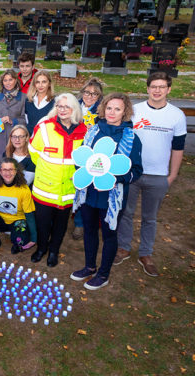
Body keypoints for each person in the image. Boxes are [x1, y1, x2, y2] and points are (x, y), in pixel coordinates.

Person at [115, 72, 187, 277]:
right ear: (147, 89)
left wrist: (171, 175)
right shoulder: (134, 111)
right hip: (133, 173)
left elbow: (178, 148)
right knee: (126, 213)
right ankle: (124, 247)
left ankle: (146, 253)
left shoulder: (176, 115)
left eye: (162, 87)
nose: (157, 90)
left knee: (150, 217)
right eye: (153, 86)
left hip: (158, 176)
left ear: (169, 89)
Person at [70, 93, 143, 290]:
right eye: (109, 108)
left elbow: (136, 170)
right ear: (103, 108)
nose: (112, 112)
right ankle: (89, 266)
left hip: (111, 196)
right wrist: (82, 172)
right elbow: (83, 158)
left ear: (125, 112)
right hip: (89, 192)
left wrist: (113, 178)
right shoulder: (93, 131)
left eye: (117, 109)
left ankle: (104, 274)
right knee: (90, 230)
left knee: (109, 235)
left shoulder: (130, 137)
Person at [28, 93, 87, 267]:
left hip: (68, 189)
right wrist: (47, 171)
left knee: (61, 224)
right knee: (43, 223)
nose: (62, 110)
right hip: (45, 187)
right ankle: (42, 248)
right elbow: (33, 151)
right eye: (59, 106)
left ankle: (53, 251)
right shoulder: (44, 127)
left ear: (74, 109)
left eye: (67, 107)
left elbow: (86, 160)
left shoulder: (85, 132)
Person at [0, 157, 37, 254]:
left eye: (11, 169)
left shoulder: (24, 188)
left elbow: (29, 215)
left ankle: (17, 244)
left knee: (21, 239)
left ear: (16, 171)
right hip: (0, 218)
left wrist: (34, 238)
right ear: (0, 171)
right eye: (4, 169)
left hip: (17, 220)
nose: (8, 173)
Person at [72, 78, 104, 240]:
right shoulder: (73, 105)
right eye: (87, 92)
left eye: (94, 94)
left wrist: (95, 130)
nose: (90, 96)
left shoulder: (102, 112)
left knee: (82, 186)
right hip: (71, 149)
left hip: (89, 154)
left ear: (99, 96)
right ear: (82, 92)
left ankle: (80, 223)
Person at [0, 69, 27, 162]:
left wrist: (12, 120)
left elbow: (25, 119)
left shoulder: (23, 98)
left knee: (12, 167)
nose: (8, 83)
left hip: (15, 139)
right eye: (5, 80)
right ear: (2, 82)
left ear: (16, 80)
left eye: (10, 80)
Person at [25, 70, 54, 135]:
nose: (40, 85)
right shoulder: (28, 101)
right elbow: (27, 122)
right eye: (37, 82)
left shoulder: (55, 103)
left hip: (47, 141)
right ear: (34, 84)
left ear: (49, 84)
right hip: (30, 140)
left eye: (44, 82)